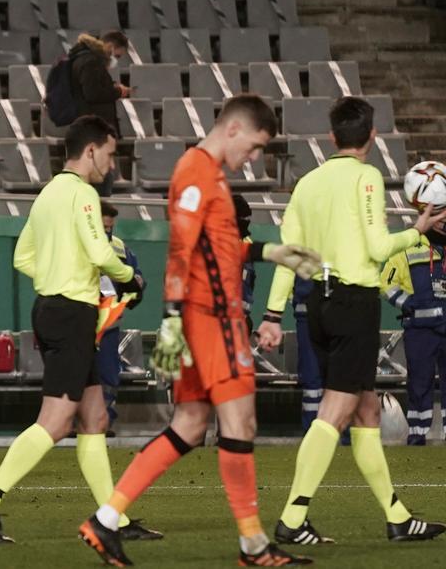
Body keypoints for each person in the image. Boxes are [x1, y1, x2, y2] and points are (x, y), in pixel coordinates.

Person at [78, 95, 322, 566]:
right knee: (240, 423)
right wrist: (171, 320)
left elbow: (221, 248)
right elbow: (182, 250)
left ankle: (105, 522)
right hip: (211, 319)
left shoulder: (210, 174)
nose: (253, 158)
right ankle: (253, 545)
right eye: (254, 146)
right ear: (233, 129)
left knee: (190, 426)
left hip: (207, 317)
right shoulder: (196, 169)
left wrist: (271, 252)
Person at [258, 96, 446, 545]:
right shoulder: (366, 178)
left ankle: (397, 517)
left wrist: (270, 313)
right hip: (353, 301)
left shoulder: (307, 183)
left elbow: (290, 256)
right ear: (373, 137)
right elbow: (379, 249)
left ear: (331, 137)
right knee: (336, 411)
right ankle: (292, 517)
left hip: (317, 303)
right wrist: (417, 229)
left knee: (365, 410)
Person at [0, 117, 147, 542]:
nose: (112, 164)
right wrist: (129, 279)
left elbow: (22, 257)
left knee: (95, 417)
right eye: (111, 153)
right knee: (57, 420)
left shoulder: (47, 194)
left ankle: (112, 518)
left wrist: (56, 275)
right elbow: (101, 251)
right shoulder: (83, 194)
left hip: (54, 308)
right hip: (70, 313)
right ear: (92, 150)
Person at [381, 223, 446, 445]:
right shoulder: (408, 247)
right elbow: (386, 283)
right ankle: (417, 435)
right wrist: (408, 304)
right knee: (419, 384)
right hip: (420, 330)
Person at [95, 202, 144, 432]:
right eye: (104, 226)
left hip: (109, 324)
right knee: (81, 375)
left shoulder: (120, 248)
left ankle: (104, 421)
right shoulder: (79, 245)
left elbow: (137, 280)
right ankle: (79, 423)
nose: (107, 231)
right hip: (81, 322)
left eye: (110, 227)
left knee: (108, 375)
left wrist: (136, 288)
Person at [68, 31, 132, 132]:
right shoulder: (91, 62)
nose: (116, 60)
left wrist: (112, 86)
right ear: (110, 46)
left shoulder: (86, 59)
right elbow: (93, 94)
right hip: (92, 127)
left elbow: (92, 85)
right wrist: (118, 91)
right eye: (117, 56)